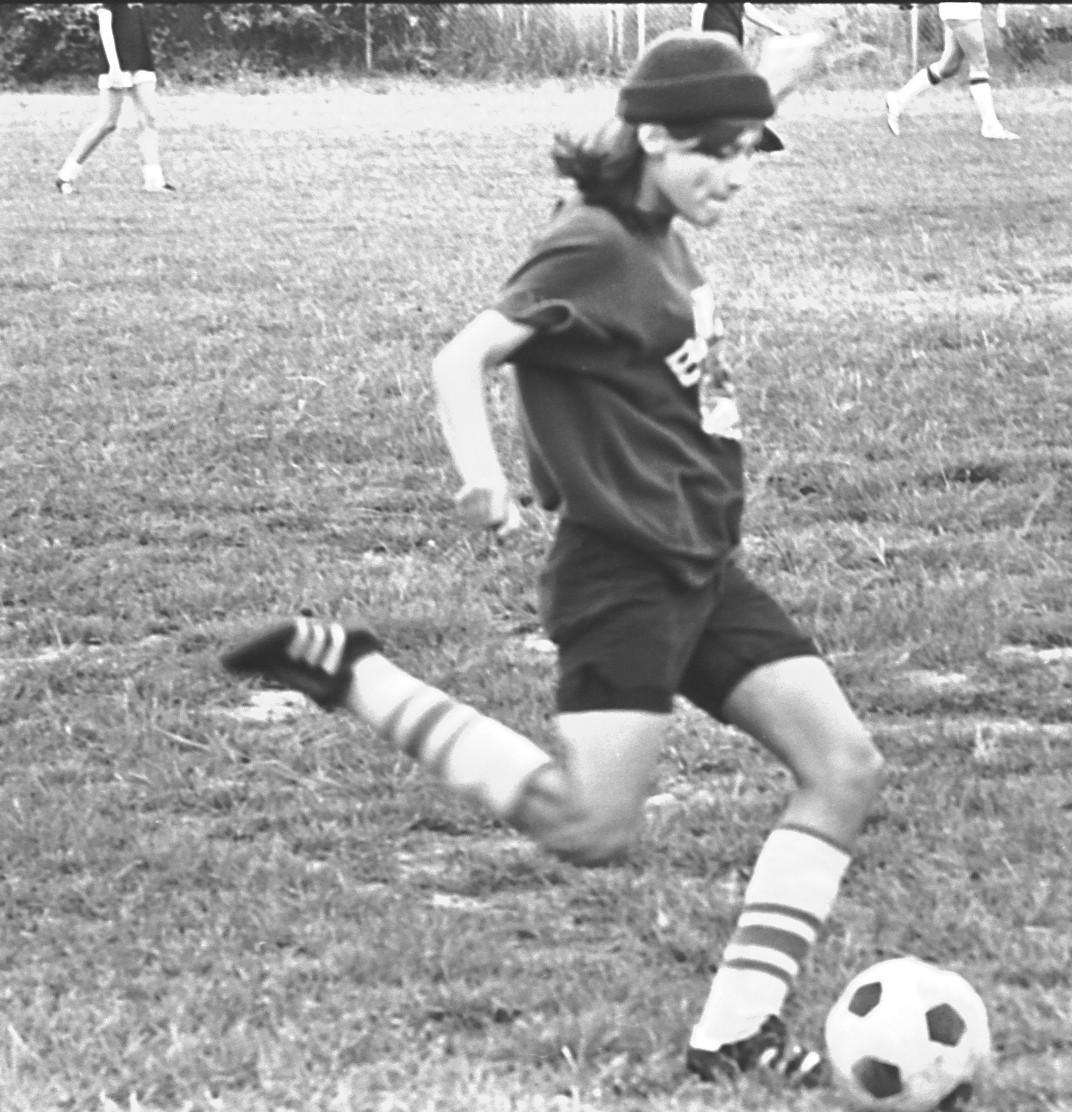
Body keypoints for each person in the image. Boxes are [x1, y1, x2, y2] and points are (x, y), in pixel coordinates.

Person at [221, 29, 883, 1089]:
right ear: (657, 139)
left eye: (752, 152)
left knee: (842, 767)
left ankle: (736, 1031)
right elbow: (464, 353)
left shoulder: (654, 216)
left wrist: (786, 74)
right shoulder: (596, 243)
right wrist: (481, 471)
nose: (738, 177)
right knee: (590, 826)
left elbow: (683, 118)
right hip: (623, 571)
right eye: (721, 153)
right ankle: (353, 671)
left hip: (701, 566)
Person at [55, 1, 175, 195]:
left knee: (149, 119)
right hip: (117, 66)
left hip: (141, 62)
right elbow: (105, 30)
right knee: (107, 123)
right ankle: (65, 176)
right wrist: (114, 69)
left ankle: (154, 182)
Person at [884, 3, 1019, 141]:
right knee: (980, 64)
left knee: (949, 66)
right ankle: (991, 126)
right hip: (962, 10)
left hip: (959, 9)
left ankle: (898, 100)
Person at [692, 3, 790, 152]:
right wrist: (697, 39)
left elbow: (745, 7)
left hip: (732, 43)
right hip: (715, 42)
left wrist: (774, 27)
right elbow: (699, 7)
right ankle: (754, 139)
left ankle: (745, 137)